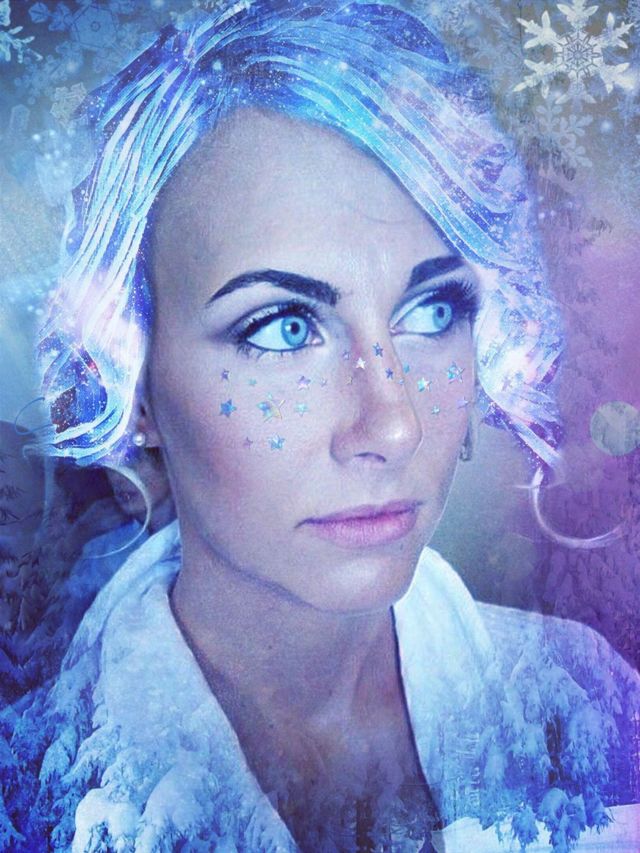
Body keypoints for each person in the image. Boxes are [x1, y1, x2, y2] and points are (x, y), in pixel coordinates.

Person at [1, 1, 638, 850]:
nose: (393, 424)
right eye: (283, 327)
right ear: (134, 379)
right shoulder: (30, 798)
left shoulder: (590, 704)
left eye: (432, 309)